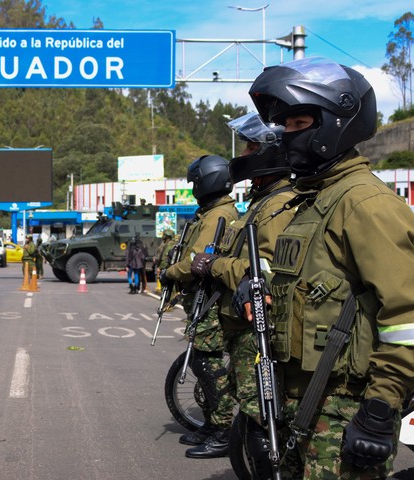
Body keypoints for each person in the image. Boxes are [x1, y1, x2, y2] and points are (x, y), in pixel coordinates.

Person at [241, 56, 414, 478]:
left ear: (334, 123)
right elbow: (306, 283)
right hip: (294, 402)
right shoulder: (310, 202)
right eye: (284, 126)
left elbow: (412, 318)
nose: (286, 136)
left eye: (298, 124)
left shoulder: (366, 205)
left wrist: (380, 409)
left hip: (345, 408)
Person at [184, 113, 296, 464]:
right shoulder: (262, 202)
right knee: (251, 413)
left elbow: (265, 270)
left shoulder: (277, 207)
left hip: (257, 329)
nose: (244, 152)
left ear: (270, 153)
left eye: (251, 146)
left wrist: (213, 264)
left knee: (262, 420)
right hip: (242, 327)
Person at [157, 155, 239, 458]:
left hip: (212, 303)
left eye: (195, 182)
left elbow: (196, 261)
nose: (193, 188)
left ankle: (222, 430)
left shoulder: (218, 215)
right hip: (203, 300)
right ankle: (210, 423)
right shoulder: (212, 213)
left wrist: (169, 273)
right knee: (201, 361)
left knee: (209, 364)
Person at [153, 229, 175, 293]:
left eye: (164, 235)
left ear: (167, 236)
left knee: (166, 288)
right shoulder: (170, 244)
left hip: (166, 269)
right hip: (170, 268)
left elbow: (165, 259)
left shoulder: (169, 245)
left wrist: (160, 268)